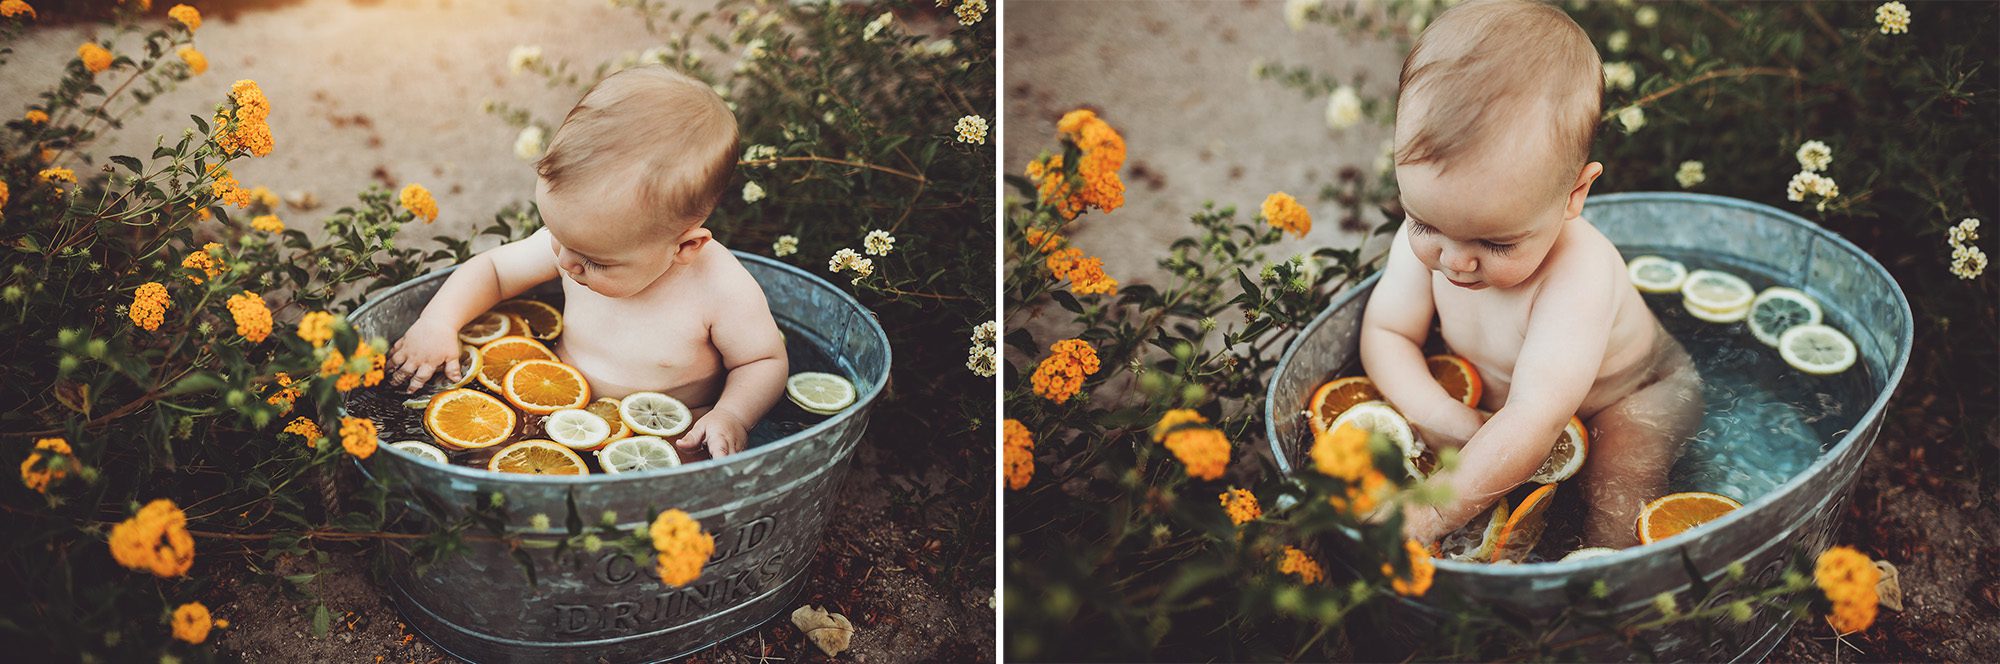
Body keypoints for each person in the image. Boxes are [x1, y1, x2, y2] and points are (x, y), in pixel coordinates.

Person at [1358, 0, 1702, 547]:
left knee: (1620, 482)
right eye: (1424, 224)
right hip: (1506, 407)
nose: (1454, 261)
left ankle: (1605, 585)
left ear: (1575, 195)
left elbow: (1534, 420)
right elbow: (1386, 333)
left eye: (1495, 241)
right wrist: (1433, 411)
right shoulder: (1429, 238)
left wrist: (1424, 517)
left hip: (1635, 392)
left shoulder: (1578, 275)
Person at [389, 66, 788, 460]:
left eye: (595, 262)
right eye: (558, 238)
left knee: (686, 462)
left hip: (666, 426)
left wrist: (731, 414)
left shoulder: (720, 289)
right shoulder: (578, 245)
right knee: (478, 446)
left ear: (684, 247)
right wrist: (439, 322)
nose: (564, 262)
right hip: (553, 400)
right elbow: (492, 271)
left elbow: (762, 360)